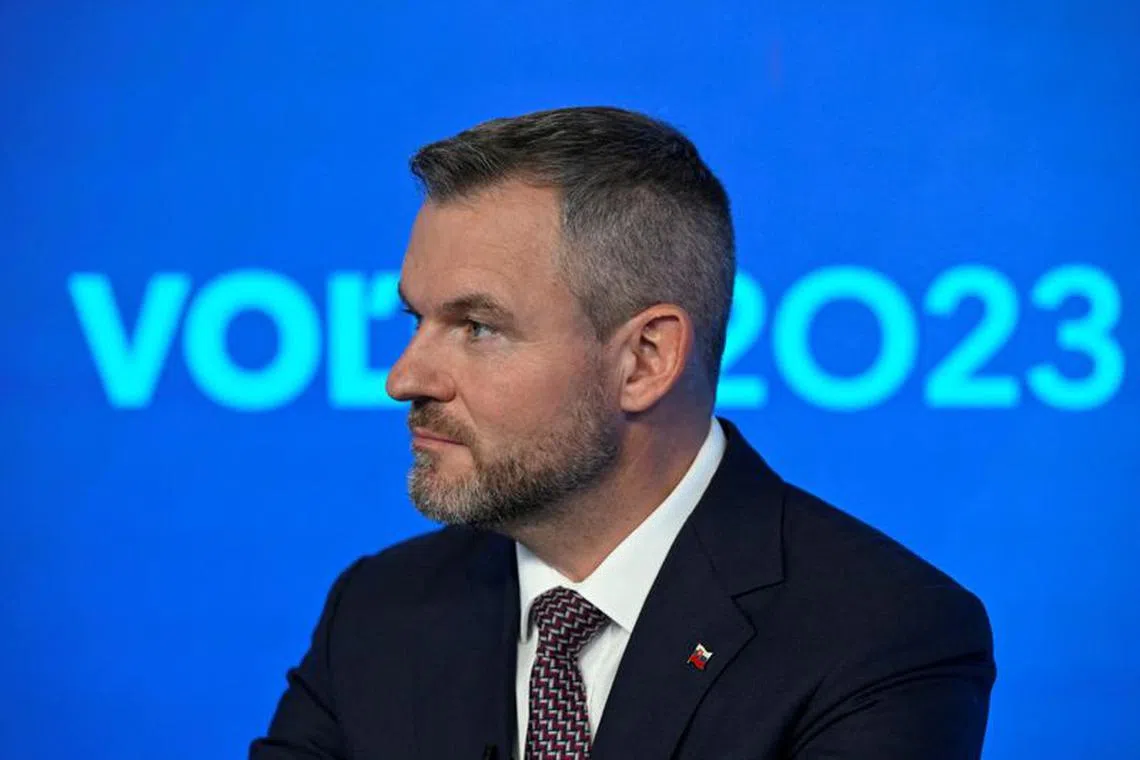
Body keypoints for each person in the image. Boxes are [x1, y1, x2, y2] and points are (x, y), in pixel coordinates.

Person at [250, 106, 995, 760]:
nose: (405, 378)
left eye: (476, 327)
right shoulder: (381, 610)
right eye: (418, 320)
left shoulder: (881, 632)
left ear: (645, 359)